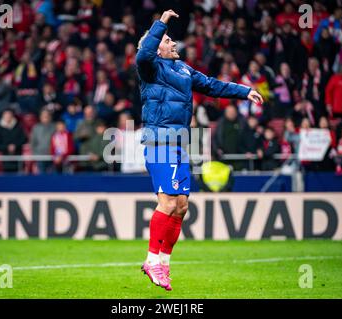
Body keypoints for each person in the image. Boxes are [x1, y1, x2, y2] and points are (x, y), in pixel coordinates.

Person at [136, 10, 262, 291]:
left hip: (179, 143)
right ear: (157, 45)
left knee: (181, 207)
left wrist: (244, 91)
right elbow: (143, 53)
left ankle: (164, 264)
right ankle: (151, 260)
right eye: (168, 40)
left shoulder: (184, 70)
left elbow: (212, 86)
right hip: (159, 143)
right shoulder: (151, 67)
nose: (173, 44)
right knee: (167, 203)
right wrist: (162, 22)